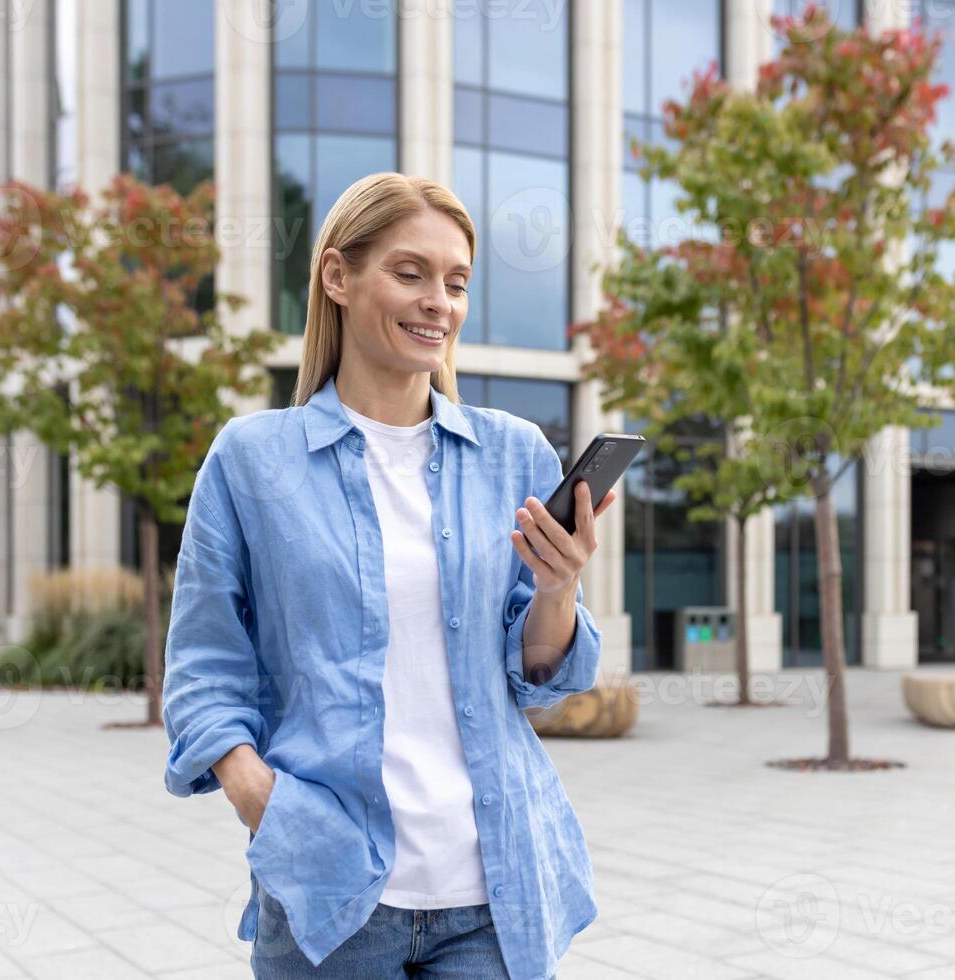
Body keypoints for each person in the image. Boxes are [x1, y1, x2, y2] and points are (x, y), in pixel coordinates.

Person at [160, 171, 616, 979]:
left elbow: (540, 680)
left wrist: (558, 587)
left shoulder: (513, 453)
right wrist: (260, 799)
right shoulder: (252, 460)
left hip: (494, 888)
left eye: (456, 282)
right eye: (410, 273)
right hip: (329, 888)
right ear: (338, 276)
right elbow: (202, 664)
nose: (438, 301)